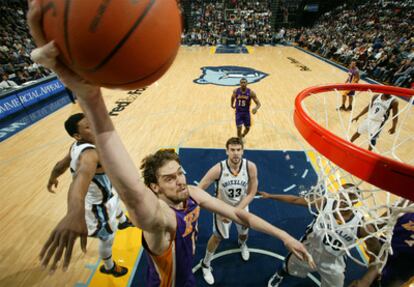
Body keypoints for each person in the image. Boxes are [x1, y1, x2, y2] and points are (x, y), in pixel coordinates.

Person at [27, 1, 315, 286]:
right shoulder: (156, 216)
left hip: (185, 276)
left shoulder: (190, 193)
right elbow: (130, 187)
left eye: (179, 172)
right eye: (169, 178)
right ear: (154, 187)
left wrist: (285, 236)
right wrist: (91, 99)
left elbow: (240, 214)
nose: (179, 180)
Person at [44, 113, 133, 277]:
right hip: (98, 206)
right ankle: (109, 266)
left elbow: (60, 165)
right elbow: (80, 179)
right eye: (88, 127)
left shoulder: (75, 145)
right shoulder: (90, 155)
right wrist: (73, 212)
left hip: (106, 192)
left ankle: (123, 221)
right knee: (107, 238)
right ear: (78, 135)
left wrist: (52, 177)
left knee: (115, 196)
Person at [259, 184, 381, 287]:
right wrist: (270, 196)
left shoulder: (362, 225)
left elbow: (378, 253)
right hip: (310, 249)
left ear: (356, 201)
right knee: (288, 266)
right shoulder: (325, 203)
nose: (345, 199)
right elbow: (295, 200)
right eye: (343, 194)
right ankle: (280, 274)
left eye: (350, 197)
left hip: (333, 261)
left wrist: (367, 279)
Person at [199, 137, 258, 285]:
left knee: (244, 234)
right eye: (232, 150)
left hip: (241, 206)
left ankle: (242, 244)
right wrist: (220, 210)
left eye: (238, 150)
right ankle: (205, 264)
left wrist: (236, 211)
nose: (236, 153)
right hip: (222, 209)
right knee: (217, 237)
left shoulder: (250, 167)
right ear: (227, 151)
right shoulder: (218, 169)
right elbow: (199, 189)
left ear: (243, 151)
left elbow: (252, 193)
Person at [350, 210, 414, 287]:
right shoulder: (406, 207)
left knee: (394, 281)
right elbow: (376, 225)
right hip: (386, 249)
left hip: (406, 263)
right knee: (367, 279)